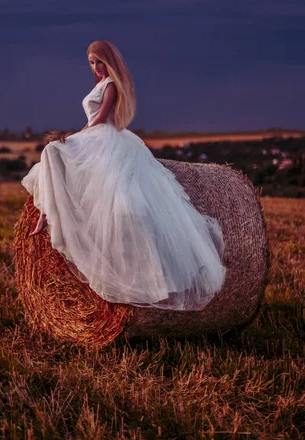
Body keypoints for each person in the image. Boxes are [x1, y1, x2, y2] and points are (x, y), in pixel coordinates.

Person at [21, 40, 226, 310]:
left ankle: (48, 215)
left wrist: (76, 138)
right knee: (51, 153)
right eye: (92, 63)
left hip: (105, 139)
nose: (95, 68)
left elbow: (101, 118)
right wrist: (74, 136)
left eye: (99, 62)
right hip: (95, 136)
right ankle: (47, 213)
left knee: (114, 198)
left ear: (109, 62)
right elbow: (90, 121)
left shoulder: (111, 86)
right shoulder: (98, 85)